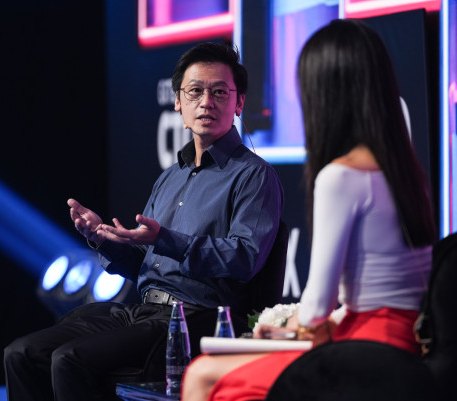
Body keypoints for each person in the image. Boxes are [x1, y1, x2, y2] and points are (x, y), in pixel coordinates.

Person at [3, 42, 284, 401]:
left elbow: (244, 259)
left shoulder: (254, 175)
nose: (206, 102)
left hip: (195, 318)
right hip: (143, 311)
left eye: (219, 92)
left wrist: (164, 239)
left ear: (239, 102)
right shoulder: (170, 177)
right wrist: (104, 240)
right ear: (178, 102)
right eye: (195, 91)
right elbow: (144, 267)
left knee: (70, 360)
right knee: (22, 354)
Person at [180, 19, 436, 401]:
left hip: (367, 353)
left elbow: (317, 306)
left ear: (324, 93)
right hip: (402, 346)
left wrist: (290, 326)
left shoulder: (340, 176)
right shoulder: (404, 172)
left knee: (203, 375)